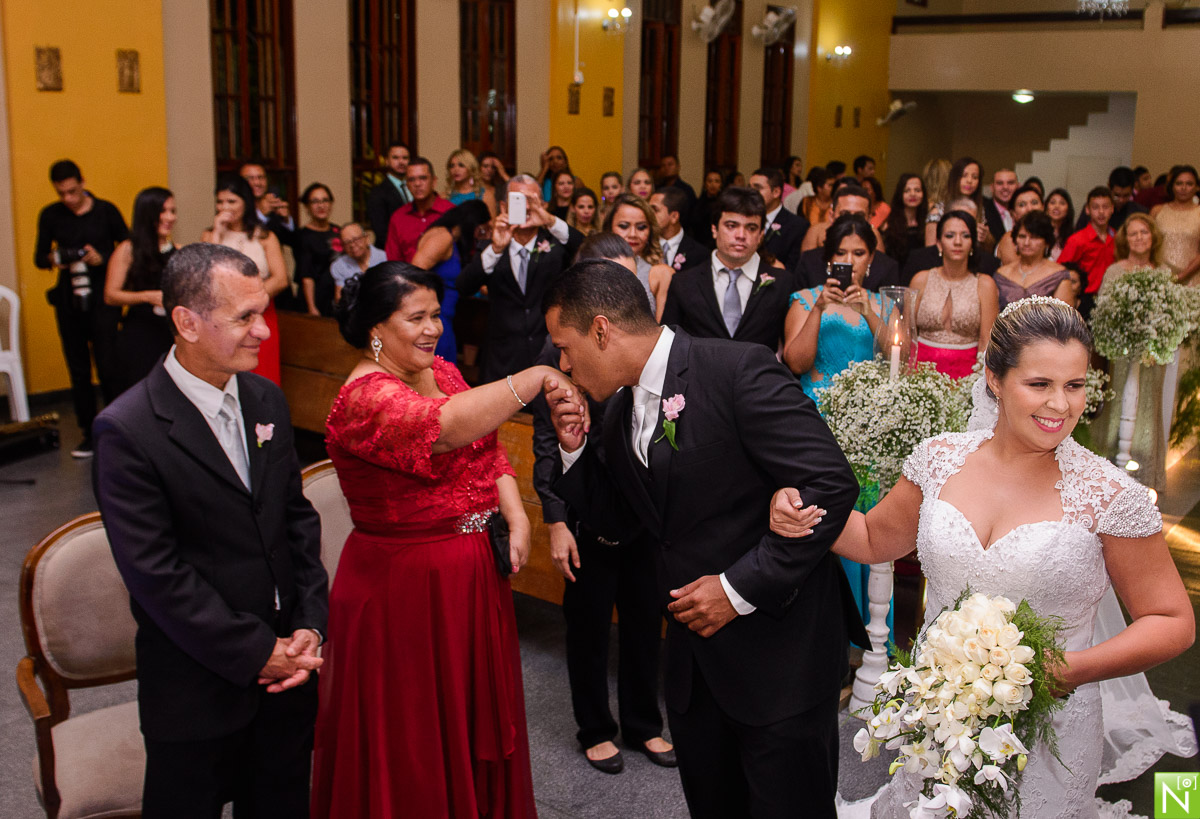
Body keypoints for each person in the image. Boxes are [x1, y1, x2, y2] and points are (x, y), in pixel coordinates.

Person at [771, 296, 1196, 819]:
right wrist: (800, 513)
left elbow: (1172, 621)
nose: (1060, 405)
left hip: (1050, 729)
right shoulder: (939, 459)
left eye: (1075, 385)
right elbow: (871, 540)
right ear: (994, 379)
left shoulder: (1109, 496)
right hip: (942, 716)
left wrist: (1072, 669)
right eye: (1039, 384)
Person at [541, 260, 866, 819]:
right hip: (694, 671)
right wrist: (572, 450)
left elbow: (830, 484)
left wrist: (737, 588)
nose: (562, 364)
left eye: (564, 346)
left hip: (779, 658)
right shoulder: (618, 410)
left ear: (601, 329)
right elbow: (623, 520)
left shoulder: (738, 369)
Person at [312, 262, 555, 818]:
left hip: (470, 574)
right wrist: (535, 376)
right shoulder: (363, 397)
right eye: (415, 317)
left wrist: (514, 514)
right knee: (414, 728)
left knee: (468, 717)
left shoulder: (442, 370)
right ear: (376, 327)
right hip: (404, 589)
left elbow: (485, 442)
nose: (432, 329)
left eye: (436, 314)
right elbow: (442, 429)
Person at [93, 242, 328, 818]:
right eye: (244, 317)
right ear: (186, 323)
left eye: (262, 311)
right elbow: (156, 574)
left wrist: (309, 627)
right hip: (195, 689)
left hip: (287, 680)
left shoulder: (265, 397)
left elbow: (296, 521)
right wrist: (256, 652)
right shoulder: (128, 430)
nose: (263, 332)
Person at [528, 233, 675, 775]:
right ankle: (594, 727)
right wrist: (556, 519)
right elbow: (550, 446)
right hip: (588, 513)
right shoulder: (560, 355)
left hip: (643, 520)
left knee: (643, 623)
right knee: (587, 628)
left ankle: (643, 725)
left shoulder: (654, 349)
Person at [33, 159, 129, 456]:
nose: (68, 199)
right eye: (62, 193)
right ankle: (89, 432)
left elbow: (129, 247)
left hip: (103, 297)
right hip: (68, 300)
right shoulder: (51, 215)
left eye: (73, 192)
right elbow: (40, 258)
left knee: (108, 364)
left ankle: (120, 430)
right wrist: (58, 257)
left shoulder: (105, 211)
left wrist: (103, 257)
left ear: (83, 182)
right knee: (78, 369)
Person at [457, 174, 584, 383]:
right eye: (517, 200)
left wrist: (550, 221)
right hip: (501, 361)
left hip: (548, 358)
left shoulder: (557, 246)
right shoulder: (490, 247)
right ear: (503, 206)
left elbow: (586, 249)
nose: (525, 208)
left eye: (531, 201)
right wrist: (496, 249)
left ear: (542, 204)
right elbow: (464, 287)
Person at [660, 186, 798, 350]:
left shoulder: (782, 283)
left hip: (759, 374)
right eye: (731, 225)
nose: (741, 235)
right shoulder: (684, 283)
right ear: (714, 230)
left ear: (761, 235)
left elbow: (790, 350)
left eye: (751, 228)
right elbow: (668, 348)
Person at [1092, 213, 1171, 492]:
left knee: (1148, 405)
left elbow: (1170, 314)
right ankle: (1110, 466)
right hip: (1121, 353)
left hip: (1151, 354)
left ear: (1153, 237)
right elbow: (1103, 310)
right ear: (1126, 239)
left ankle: (1143, 471)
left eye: (1144, 233)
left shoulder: (1162, 272)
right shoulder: (1115, 270)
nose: (1139, 238)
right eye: (1133, 233)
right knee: (1117, 405)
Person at [783, 214, 883, 401]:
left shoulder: (884, 304)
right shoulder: (805, 300)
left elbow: (901, 359)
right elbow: (796, 365)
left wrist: (869, 313)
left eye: (859, 253)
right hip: (817, 408)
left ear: (871, 258)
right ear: (829, 258)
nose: (849, 261)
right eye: (840, 252)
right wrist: (818, 309)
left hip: (874, 409)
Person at [202, 175, 289, 385]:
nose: (225, 207)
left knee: (261, 375)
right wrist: (218, 234)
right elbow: (206, 274)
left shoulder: (264, 236)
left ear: (245, 203)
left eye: (231, 201)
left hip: (261, 313)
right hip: (225, 316)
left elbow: (280, 279)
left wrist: (249, 303)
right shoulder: (209, 235)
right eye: (220, 202)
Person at [911, 209, 999, 378]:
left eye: (965, 236)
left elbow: (986, 342)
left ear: (973, 243)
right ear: (938, 243)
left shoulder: (984, 284)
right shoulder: (921, 280)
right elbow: (907, 333)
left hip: (967, 376)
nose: (958, 242)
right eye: (950, 235)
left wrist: (976, 382)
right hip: (920, 375)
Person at [104, 187, 176, 393]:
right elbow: (110, 295)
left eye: (173, 211)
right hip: (140, 332)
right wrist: (147, 296)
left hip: (170, 332)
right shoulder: (128, 249)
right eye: (163, 211)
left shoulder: (177, 250)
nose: (170, 217)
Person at [411, 200, 493, 363]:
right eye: (481, 229)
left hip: (445, 317)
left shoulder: (453, 239)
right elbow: (415, 273)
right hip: (437, 319)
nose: (480, 234)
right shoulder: (443, 236)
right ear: (473, 223)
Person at [600, 193, 674, 320]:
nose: (633, 234)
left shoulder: (661, 273)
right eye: (624, 226)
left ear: (650, 231)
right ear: (609, 228)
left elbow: (664, 331)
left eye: (641, 227)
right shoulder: (594, 266)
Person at [994, 211, 1074, 310]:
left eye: (1034, 238)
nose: (1026, 243)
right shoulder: (1001, 274)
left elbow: (1065, 321)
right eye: (1022, 236)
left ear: (1047, 242)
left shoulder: (1059, 275)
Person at [1058, 186, 1116, 315]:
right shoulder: (1077, 240)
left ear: (1112, 208)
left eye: (1105, 207)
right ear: (1087, 210)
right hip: (1086, 298)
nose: (1101, 212)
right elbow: (1061, 270)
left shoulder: (1117, 238)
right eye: (1095, 207)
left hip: (1111, 298)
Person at [384, 156, 453, 263]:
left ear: (434, 181)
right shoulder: (398, 218)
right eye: (411, 180)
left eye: (423, 178)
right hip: (408, 277)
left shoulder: (450, 211)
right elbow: (394, 262)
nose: (417, 184)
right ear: (407, 184)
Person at [748, 166, 809, 270]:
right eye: (749, 188)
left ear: (776, 192)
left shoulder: (797, 226)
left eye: (757, 188)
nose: (751, 193)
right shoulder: (743, 220)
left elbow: (793, 269)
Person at [294, 183, 341, 317]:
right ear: (307, 207)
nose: (321, 205)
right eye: (315, 202)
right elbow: (306, 276)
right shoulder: (303, 236)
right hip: (315, 299)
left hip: (335, 297)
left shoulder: (337, 231)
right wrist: (312, 308)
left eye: (325, 200)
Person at [1151, 163, 1200, 284]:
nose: (1183, 188)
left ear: (1197, 187)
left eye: (1189, 184)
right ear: (1172, 186)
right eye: (1179, 183)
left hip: (1191, 278)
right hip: (1160, 277)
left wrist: (1181, 276)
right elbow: (1148, 245)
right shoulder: (1157, 211)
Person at [926, 157, 984, 248]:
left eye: (975, 177)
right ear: (954, 178)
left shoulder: (979, 210)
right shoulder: (938, 211)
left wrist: (986, 237)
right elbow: (930, 251)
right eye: (964, 175)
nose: (969, 181)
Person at [366, 140, 412, 250]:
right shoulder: (378, 193)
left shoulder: (415, 188)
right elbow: (381, 232)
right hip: (391, 253)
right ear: (386, 161)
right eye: (395, 158)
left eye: (405, 158)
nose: (401, 162)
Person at [650, 186, 707, 271]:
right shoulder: (645, 246)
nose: (649, 215)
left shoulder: (700, 254)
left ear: (674, 216)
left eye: (655, 210)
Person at [240, 161, 295, 248]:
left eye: (261, 177)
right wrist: (261, 215)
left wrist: (286, 220)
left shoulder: (272, 204)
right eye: (250, 178)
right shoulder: (235, 207)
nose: (257, 183)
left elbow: (291, 241)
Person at [329, 222, 386, 304]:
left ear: (366, 239)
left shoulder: (384, 258)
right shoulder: (339, 265)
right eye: (347, 242)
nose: (352, 245)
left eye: (356, 239)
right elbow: (340, 299)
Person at [881, 173, 927, 270]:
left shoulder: (928, 223)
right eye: (907, 190)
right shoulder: (888, 224)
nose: (913, 194)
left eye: (917, 190)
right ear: (900, 194)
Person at [994, 183, 1044, 266]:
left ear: (1043, 207)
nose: (1029, 208)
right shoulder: (1010, 240)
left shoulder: (1046, 237)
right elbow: (1020, 274)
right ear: (1013, 213)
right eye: (1022, 205)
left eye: (1034, 202)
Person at [444, 148, 497, 214]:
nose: (456, 169)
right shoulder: (444, 196)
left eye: (461, 165)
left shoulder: (486, 196)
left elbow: (492, 224)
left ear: (471, 168)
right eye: (452, 166)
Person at [688, 169, 725, 246]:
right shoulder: (697, 204)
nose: (713, 184)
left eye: (716, 181)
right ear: (705, 184)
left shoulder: (725, 205)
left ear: (721, 184)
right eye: (710, 181)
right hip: (699, 244)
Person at [982, 167, 1019, 240]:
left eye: (1010, 183)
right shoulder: (982, 211)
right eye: (1000, 183)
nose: (1005, 187)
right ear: (992, 188)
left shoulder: (1024, 211)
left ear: (1017, 187)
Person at [656, 154, 697, 219]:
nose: (666, 168)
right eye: (663, 165)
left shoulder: (686, 190)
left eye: (670, 164)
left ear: (678, 167)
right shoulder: (657, 189)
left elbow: (692, 214)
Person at [1046, 187, 1075, 261]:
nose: (1056, 206)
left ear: (1068, 209)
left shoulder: (1073, 236)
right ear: (1046, 207)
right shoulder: (1038, 232)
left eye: (1062, 203)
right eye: (1052, 203)